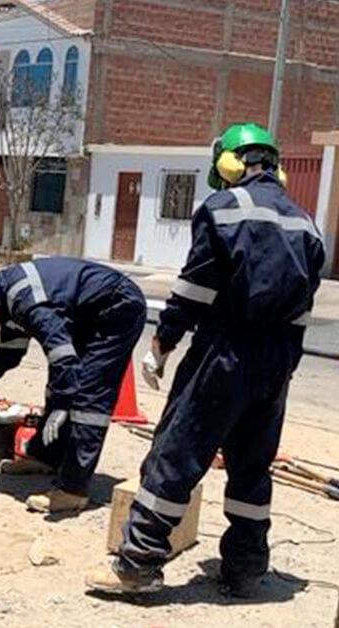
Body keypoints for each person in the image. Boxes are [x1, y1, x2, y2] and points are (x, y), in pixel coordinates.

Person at [86, 122, 325, 597]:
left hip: (226, 353)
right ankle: (246, 569)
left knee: (176, 453)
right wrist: (282, 370)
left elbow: (195, 290)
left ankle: (138, 565)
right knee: (252, 465)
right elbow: (303, 311)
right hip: (276, 363)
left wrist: (162, 345)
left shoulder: (223, 210)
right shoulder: (305, 223)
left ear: (231, 162)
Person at [0, 256, 147, 513]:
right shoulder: (5, 299)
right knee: (60, 384)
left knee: (88, 399)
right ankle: (46, 457)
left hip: (117, 309)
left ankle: (72, 490)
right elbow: (11, 350)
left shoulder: (23, 299)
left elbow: (62, 353)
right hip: (90, 312)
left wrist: (62, 406)